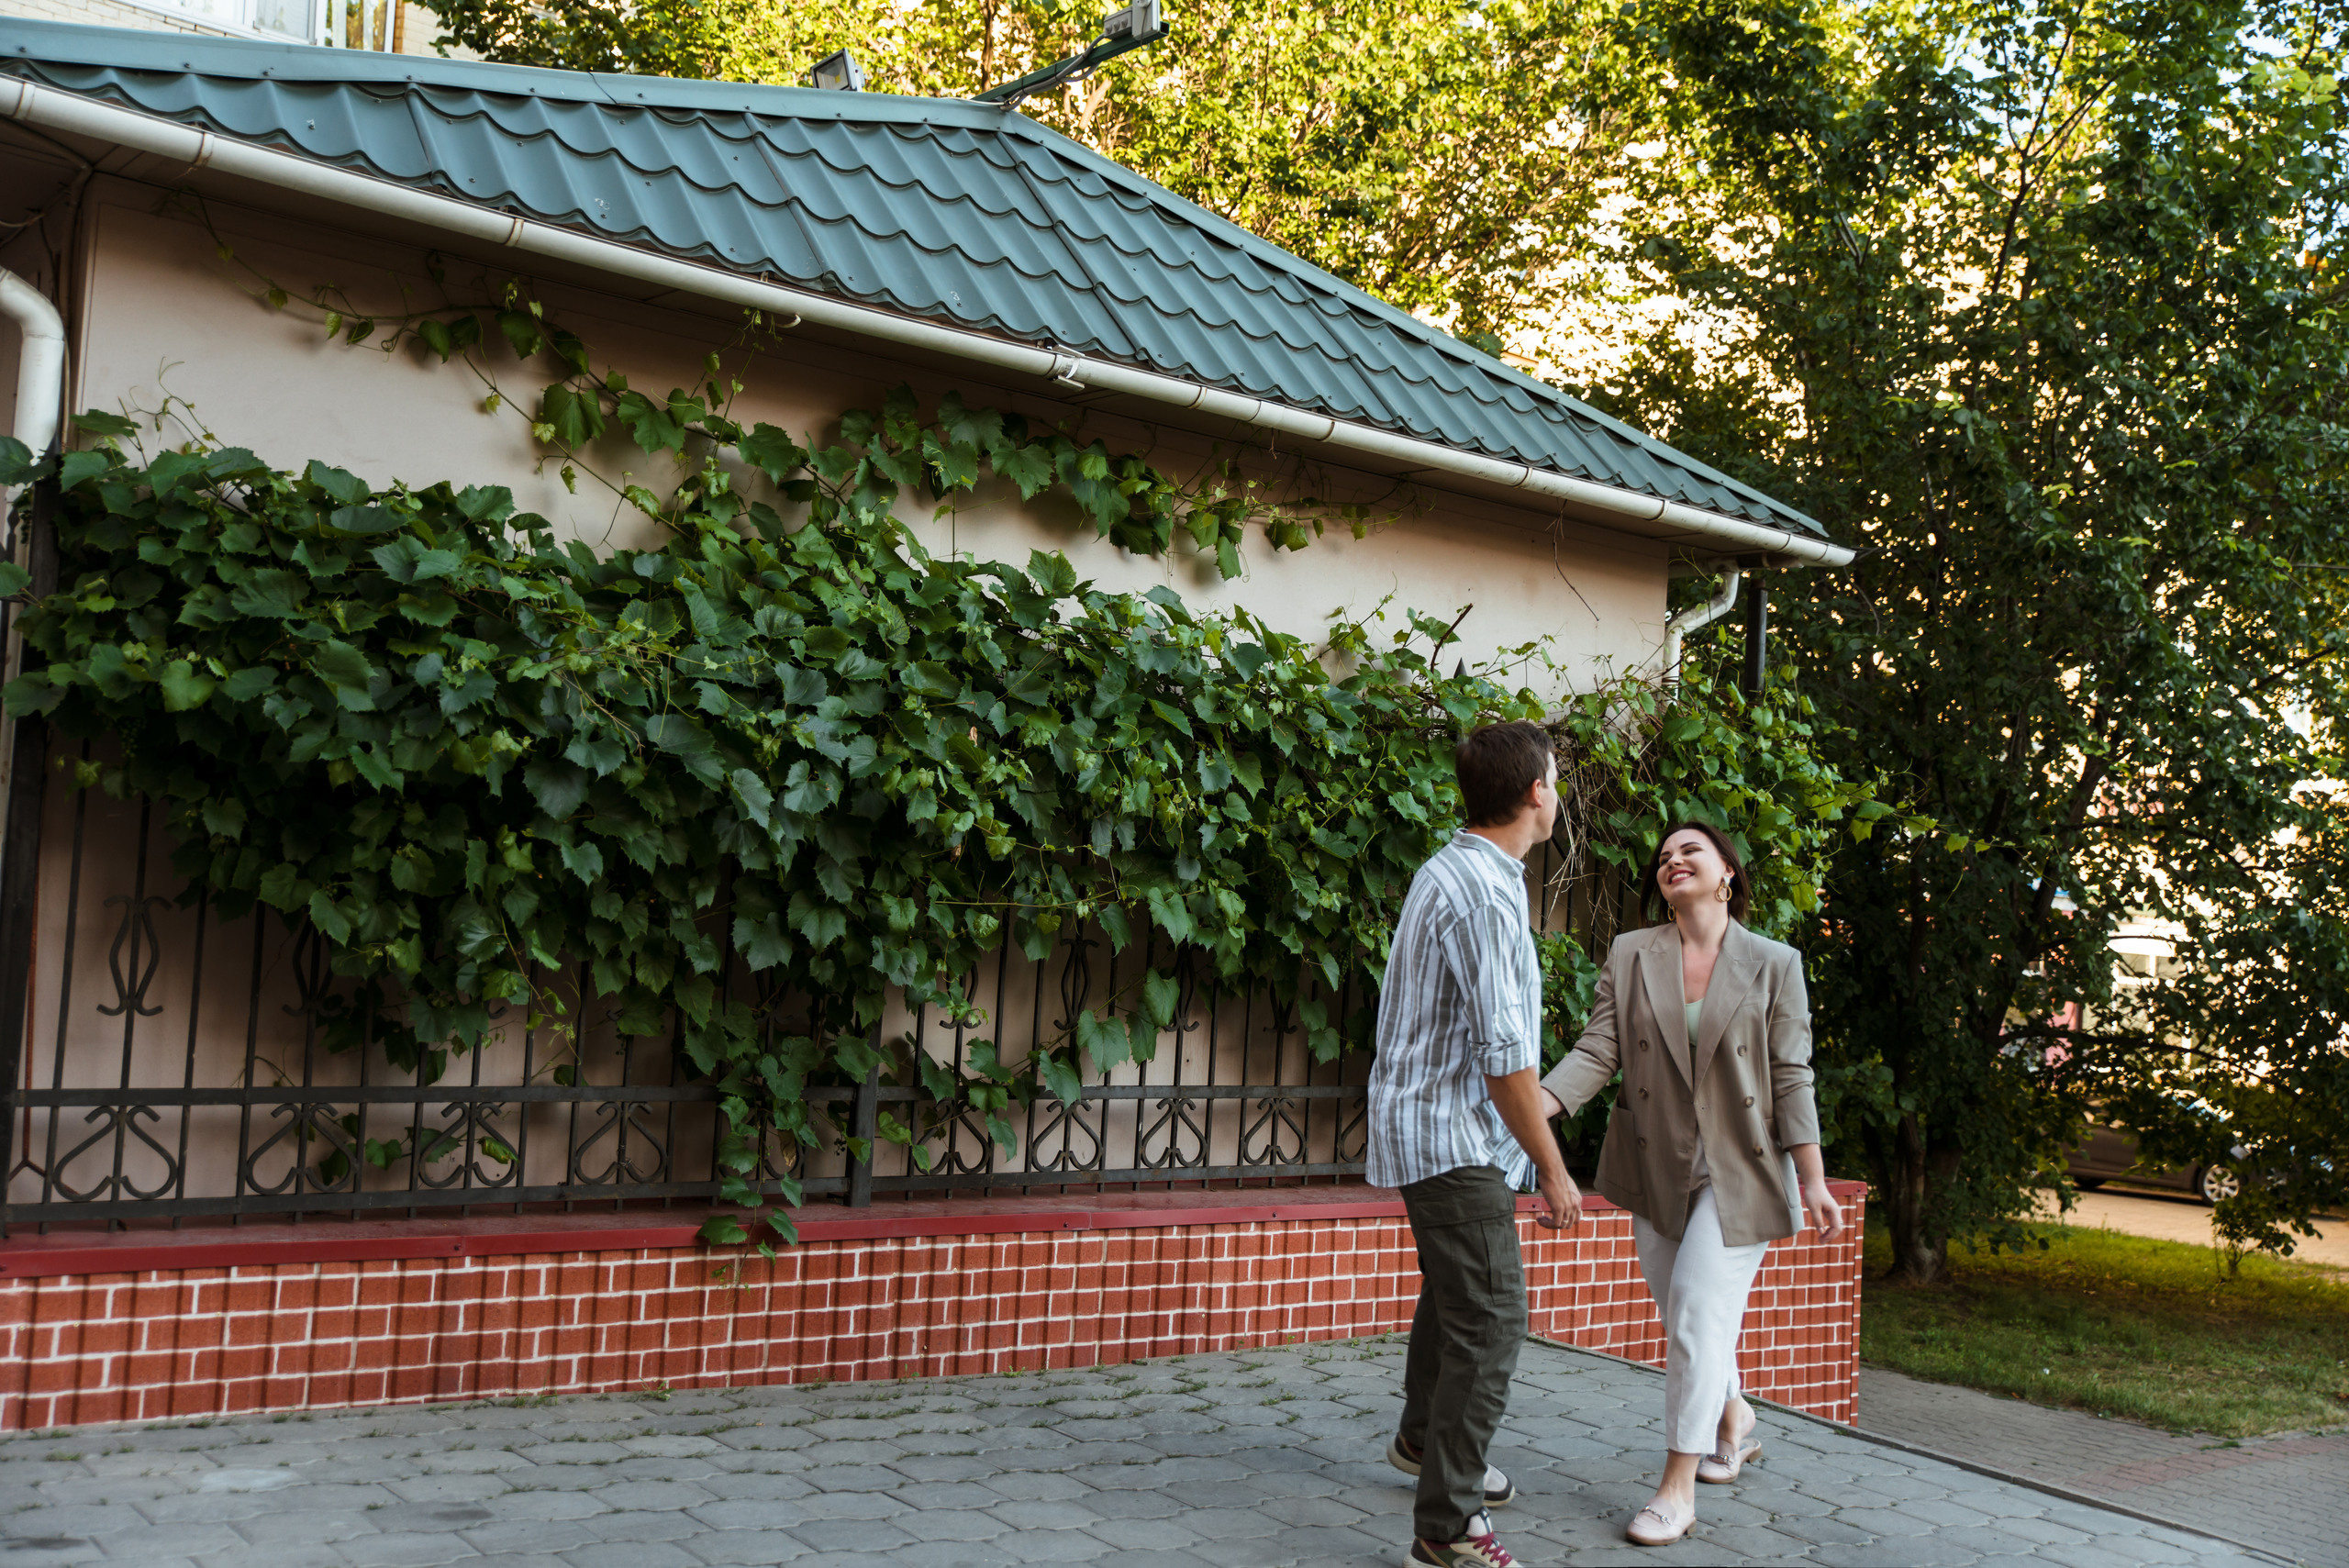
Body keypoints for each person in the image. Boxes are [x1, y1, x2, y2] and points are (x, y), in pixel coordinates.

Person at [1535, 821, 1846, 1546]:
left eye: (1691, 851)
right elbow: (1599, 1048)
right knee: (1688, 1314)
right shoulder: (1632, 952)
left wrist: (1815, 1177)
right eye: (1664, 855)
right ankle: (1734, 1415)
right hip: (1656, 1163)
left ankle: (1676, 1487)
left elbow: (1793, 1074)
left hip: (1741, 1169)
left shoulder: (1774, 962)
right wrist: (1536, 1107)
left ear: (1727, 873)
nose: (1673, 860)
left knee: (1698, 1316)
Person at [1366, 719, 1584, 1568]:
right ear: (1536, 792)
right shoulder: (1487, 893)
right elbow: (1505, 1061)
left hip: (1433, 1127)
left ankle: (1425, 1440)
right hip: (1453, 1135)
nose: (1558, 792)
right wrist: (1557, 1172)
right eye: (1556, 779)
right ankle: (1448, 1526)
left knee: (1458, 1298)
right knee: (1492, 1320)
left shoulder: (1452, 868)